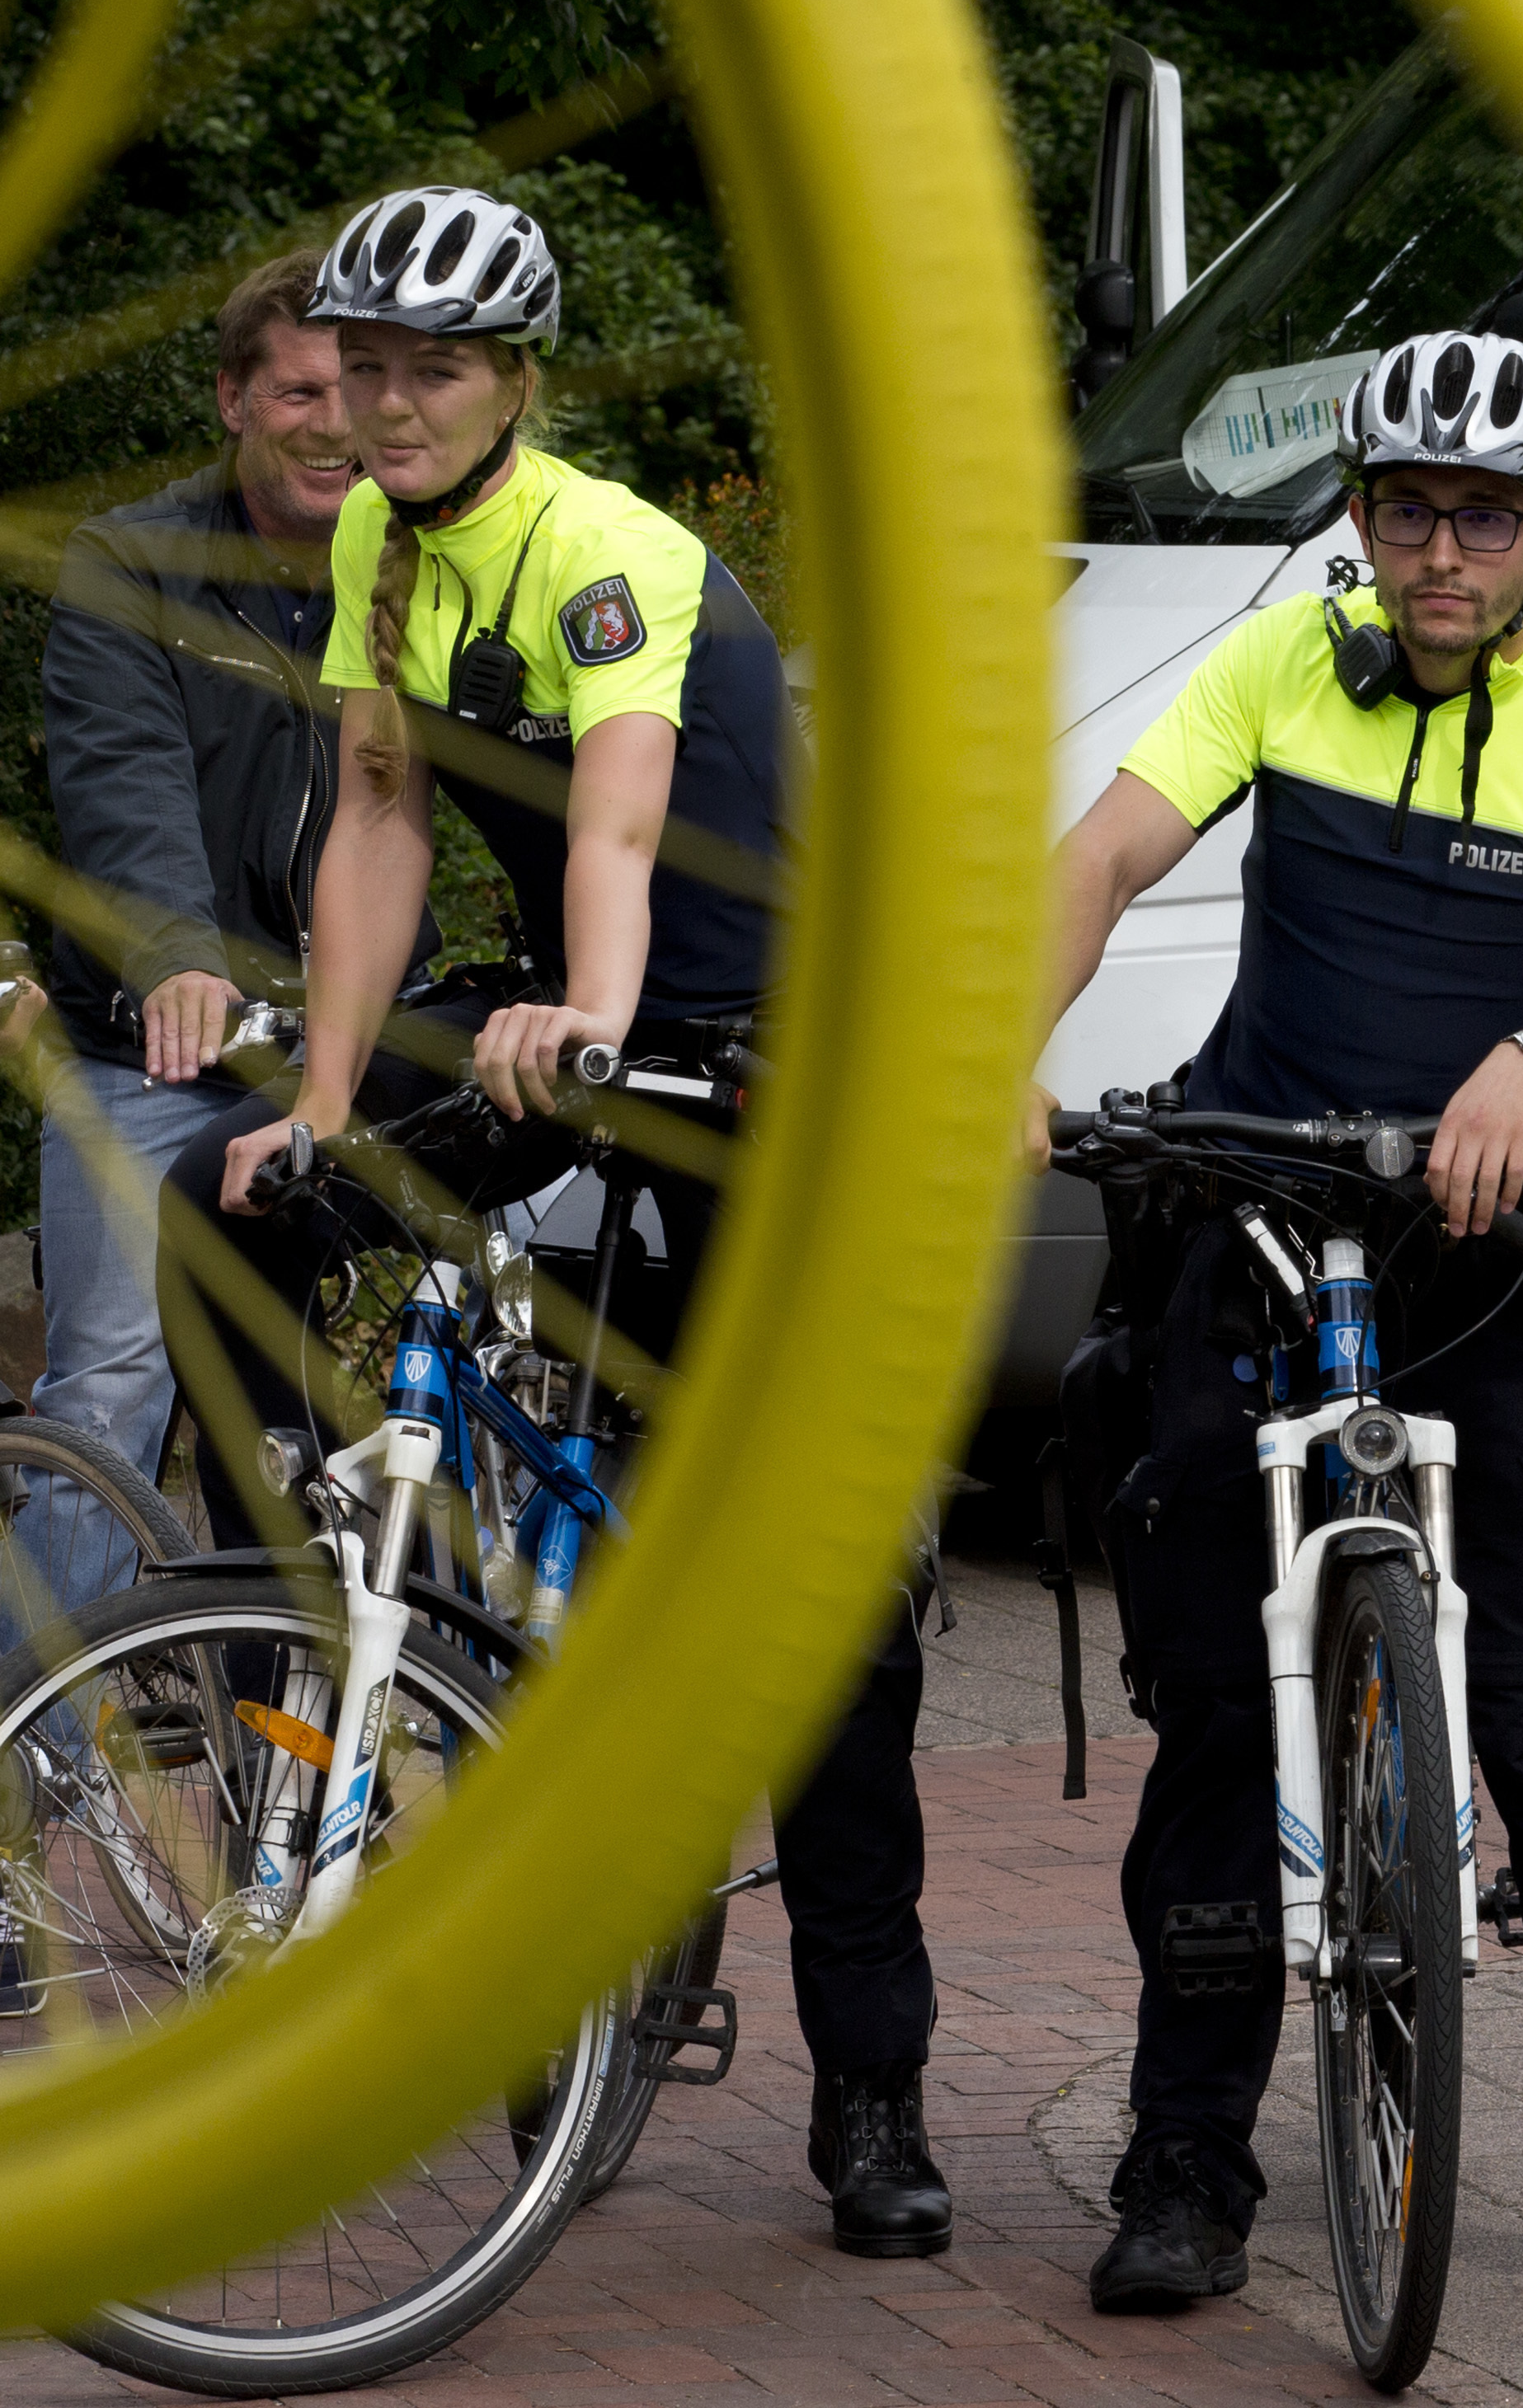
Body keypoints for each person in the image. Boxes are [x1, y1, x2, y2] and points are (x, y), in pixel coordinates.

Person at [157, 183, 953, 2260]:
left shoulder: (606, 553)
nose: (385, 406)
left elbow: (611, 817)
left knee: (817, 1628)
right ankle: (317, 1570)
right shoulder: (370, 542)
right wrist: (322, 1108)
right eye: (360, 371)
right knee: (226, 1202)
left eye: (432, 372)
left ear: (520, 381)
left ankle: (876, 2097)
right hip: (557, 1021)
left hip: (738, 1037)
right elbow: (384, 813)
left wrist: (591, 1018)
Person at [1030, 327, 1523, 2316]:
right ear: (1359, 517)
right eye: (1411, 510)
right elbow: (1099, 855)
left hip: (1482, 1260)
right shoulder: (1278, 664)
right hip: (1253, 1221)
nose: (1444, 551)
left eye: (1488, 519)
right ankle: (1187, 2167)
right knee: (1205, 1741)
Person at [8, 251, 421, 1646]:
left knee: (362, 1397)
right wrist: (178, 959)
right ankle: (26, 1766)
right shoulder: (134, 561)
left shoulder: (413, 569)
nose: (333, 423)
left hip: (346, 1048)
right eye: (299, 389)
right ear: (235, 400)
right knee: (114, 1385)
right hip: (154, 1044)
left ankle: (305, 1737)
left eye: (354, 389)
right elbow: (126, 790)